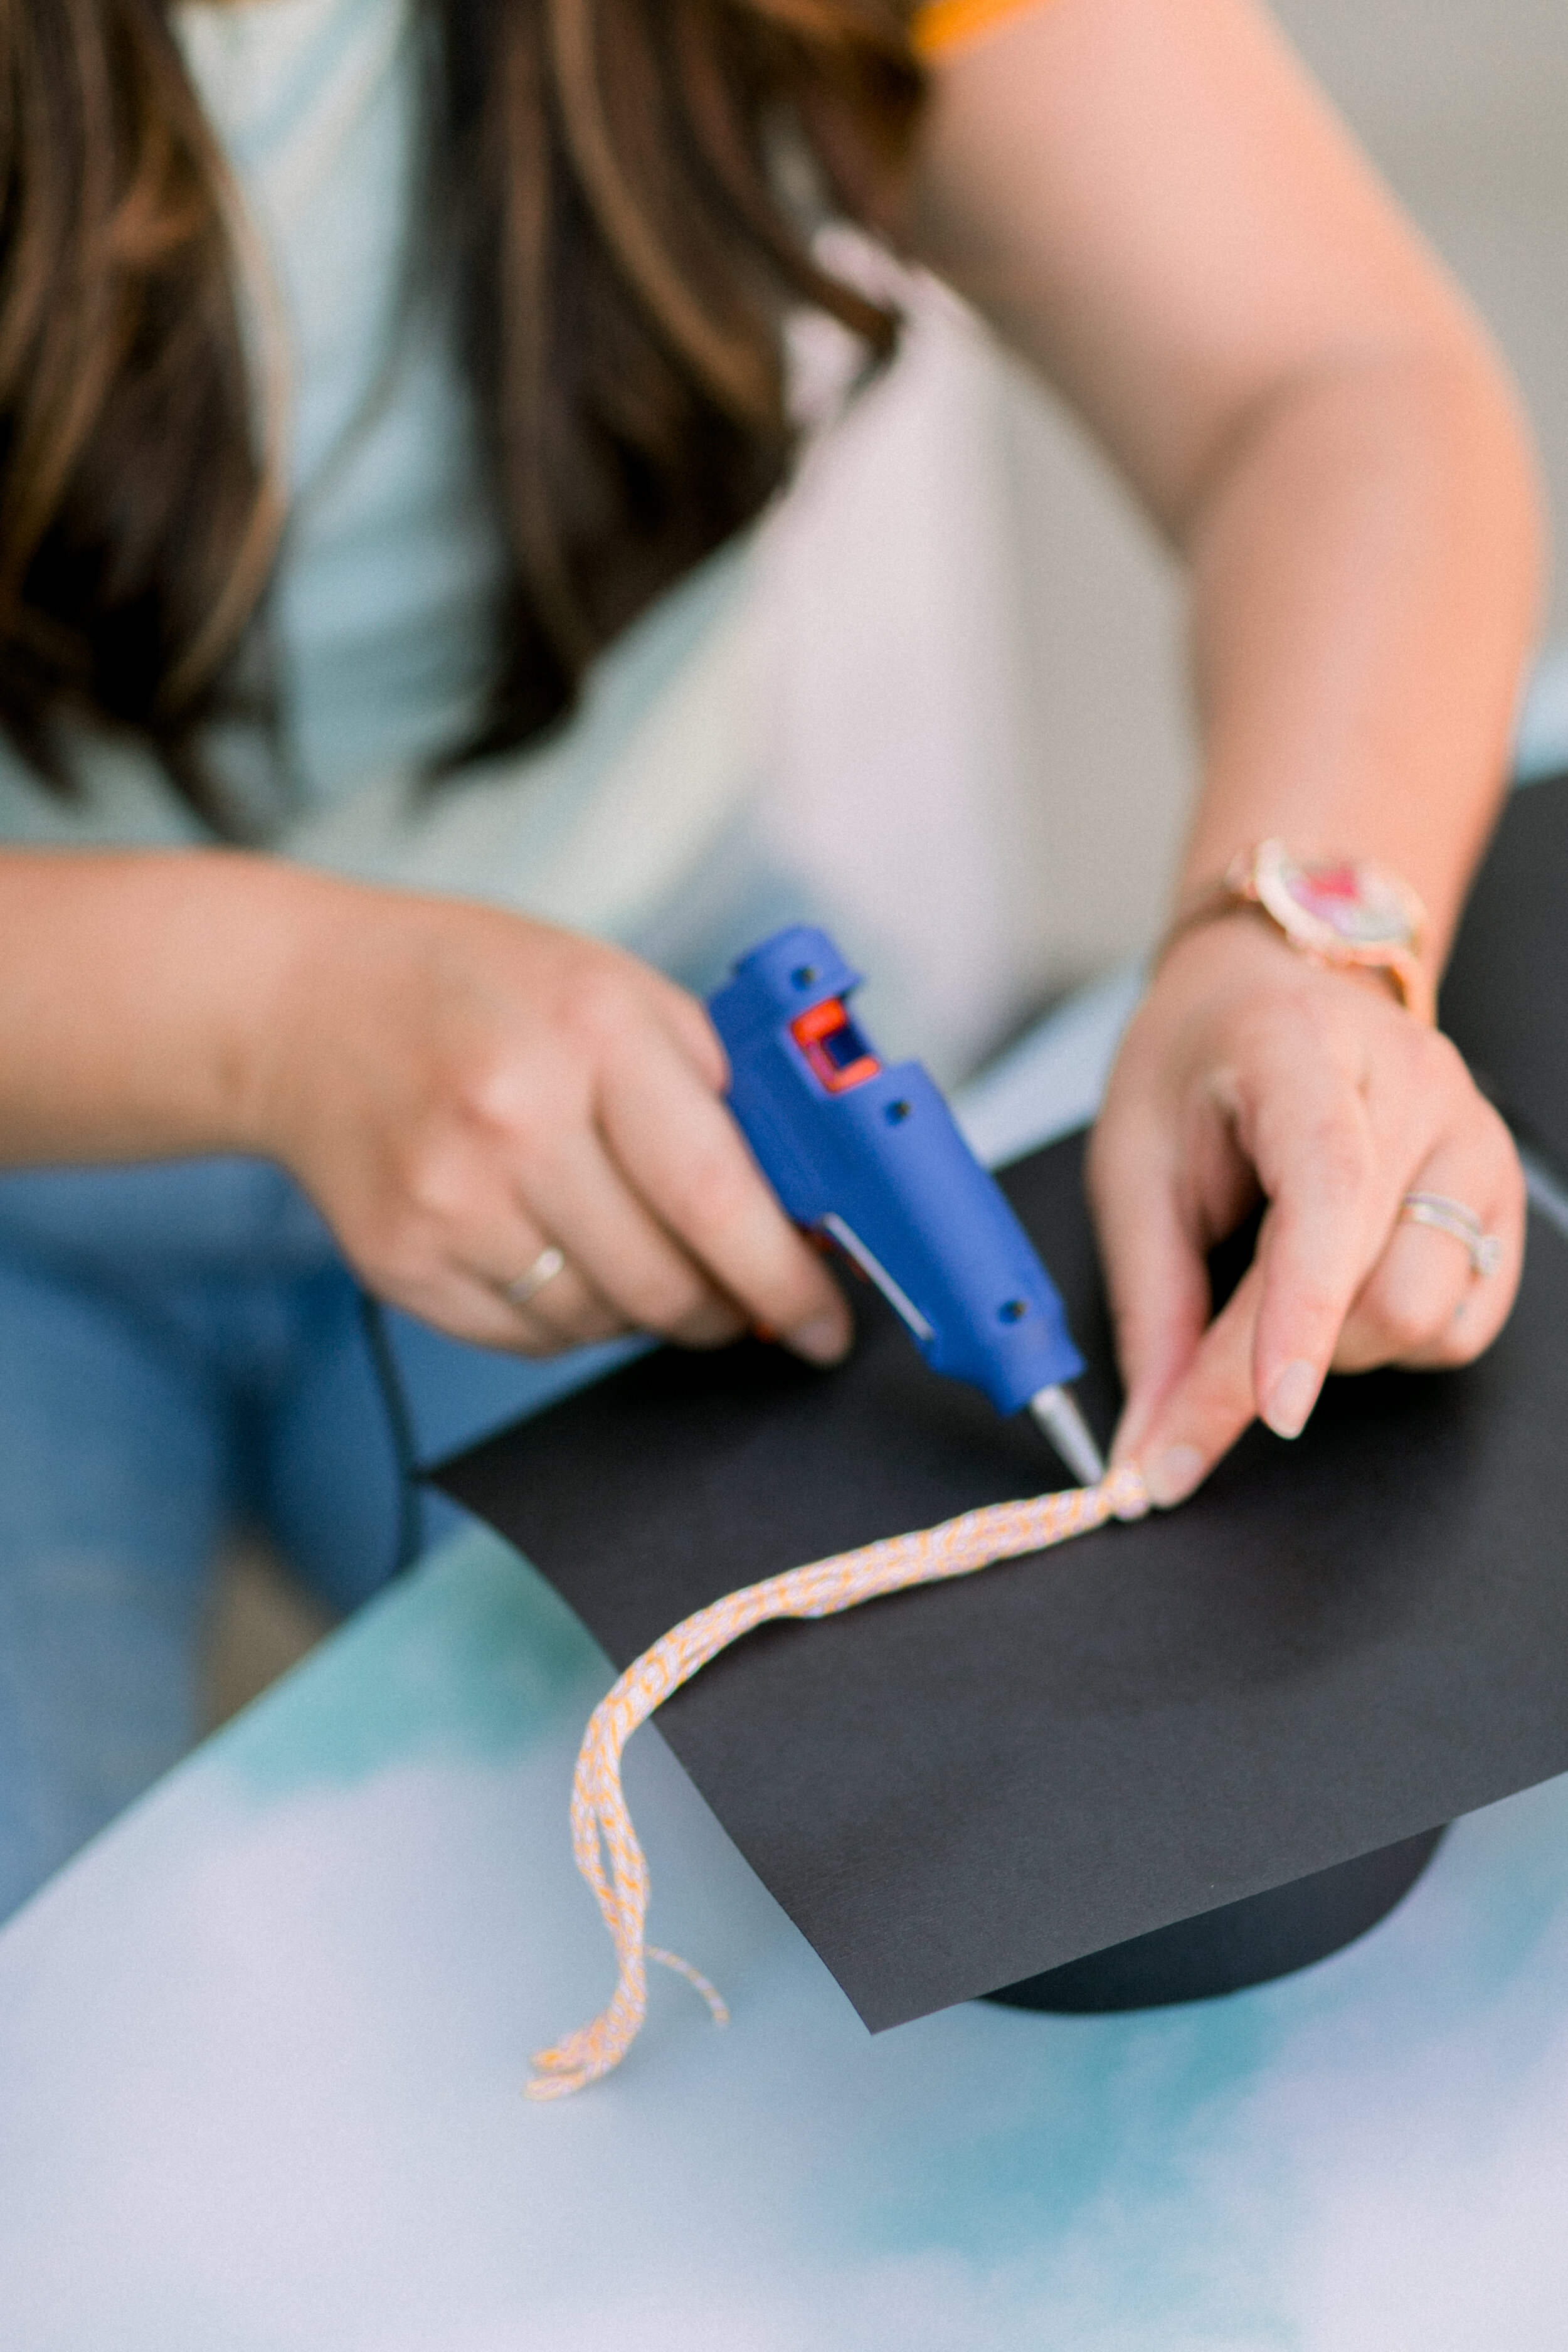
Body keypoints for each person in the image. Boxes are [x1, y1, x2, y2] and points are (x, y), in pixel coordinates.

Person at [0, 0, 1537, 1920]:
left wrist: (1290, 944)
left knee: (827, 1894)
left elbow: (1324, 377)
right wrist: (265, 1015)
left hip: (660, 1053)